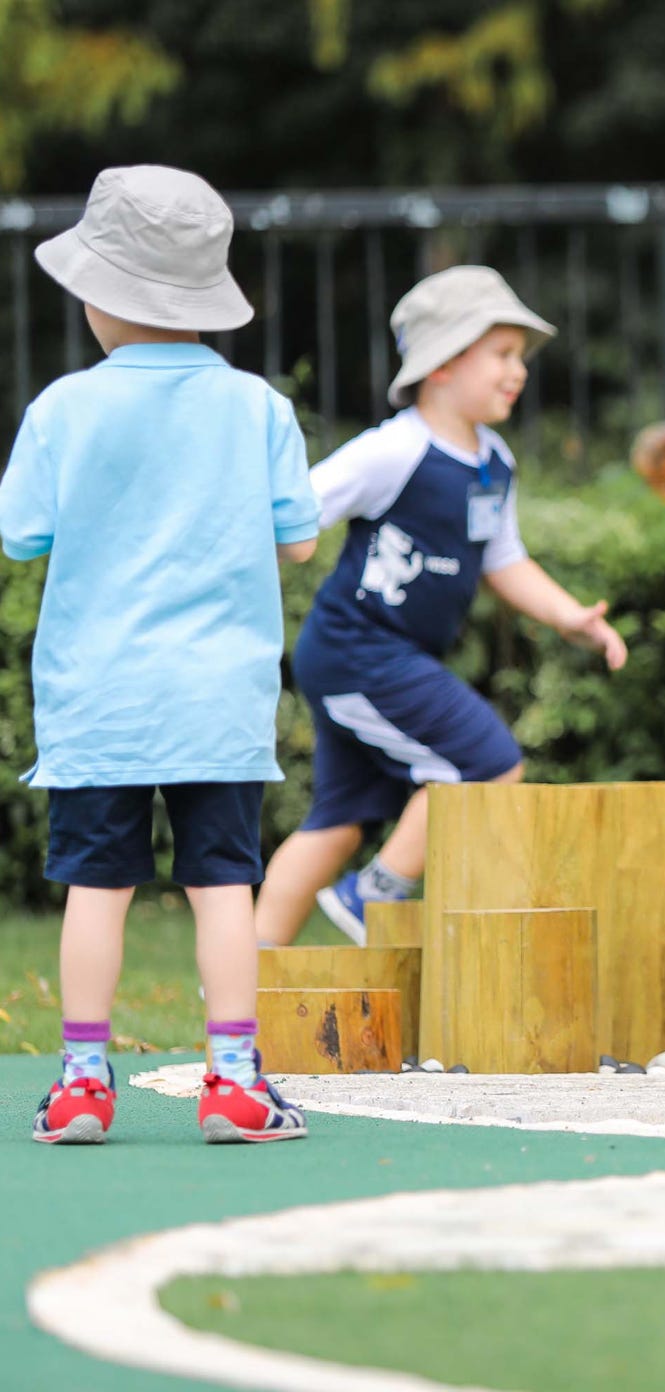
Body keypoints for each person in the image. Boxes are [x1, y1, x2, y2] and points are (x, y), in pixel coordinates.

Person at [0, 165, 319, 1144]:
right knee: (223, 883)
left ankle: (84, 1085)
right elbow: (299, 539)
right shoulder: (256, 406)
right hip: (217, 694)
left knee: (99, 887)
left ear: (100, 297)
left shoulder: (63, 408)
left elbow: (22, 536)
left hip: (99, 696)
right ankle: (232, 1081)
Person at [254, 266, 628, 949]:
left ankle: (240, 995)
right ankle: (373, 896)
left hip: (384, 657)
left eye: (520, 356)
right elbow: (297, 508)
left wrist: (570, 615)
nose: (518, 371)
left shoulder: (495, 462)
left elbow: (503, 558)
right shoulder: (396, 449)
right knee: (486, 764)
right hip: (359, 651)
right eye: (504, 354)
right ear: (444, 365)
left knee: (339, 820)